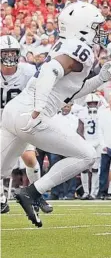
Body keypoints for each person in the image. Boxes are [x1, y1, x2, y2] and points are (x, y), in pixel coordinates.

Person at [1, 2, 111, 227]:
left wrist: (101, 78)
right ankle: (32, 192)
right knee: (87, 155)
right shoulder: (80, 48)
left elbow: (69, 94)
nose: (100, 31)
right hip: (31, 114)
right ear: (83, 27)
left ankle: (31, 193)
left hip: (13, 112)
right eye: (96, 26)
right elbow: (50, 70)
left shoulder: (67, 45)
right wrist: (38, 107)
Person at [0, 35, 52, 214]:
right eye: (4, 53)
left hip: (22, 121)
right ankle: (1, 198)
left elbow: (43, 88)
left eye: (12, 52)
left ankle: (36, 194)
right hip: (2, 124)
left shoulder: (28, 71)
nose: (8, 56)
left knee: (30, 158)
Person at [49, 104, 79, 200]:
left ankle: (70, 193)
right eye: (64, 106)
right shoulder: (55, 118)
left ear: (71, 107)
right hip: (56, 146)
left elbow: (71, 131)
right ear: (61, 106)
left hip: (69, 146)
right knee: (55, 170)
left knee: (70, 170)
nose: (66, 109)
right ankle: (55, 193)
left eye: (68, 107)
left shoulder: (74, 118)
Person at [77, 94, 102, 200]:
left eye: (94, 103)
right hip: (87, 142)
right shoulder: (82, 113)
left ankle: (93, 192)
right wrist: (82, 142)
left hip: (98, 143)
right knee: (84, 168)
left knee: (95, 169)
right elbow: (80, 130)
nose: (92, 105)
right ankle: (86, 192)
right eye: (90, 103)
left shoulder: (102, 113)